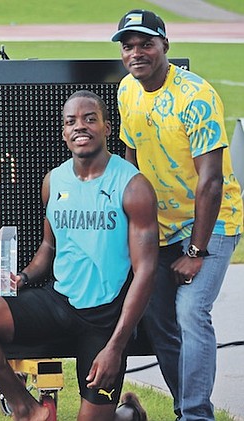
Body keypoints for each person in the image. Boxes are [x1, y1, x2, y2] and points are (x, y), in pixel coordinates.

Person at [0, 90, 158, 421]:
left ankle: (129, 413)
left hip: (104, 320)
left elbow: (146, 271)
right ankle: (25, 406)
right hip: (58, 304)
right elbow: (48, 248)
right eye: (71, 121)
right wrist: (23, 277)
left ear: (105, 127)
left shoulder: (133, 186)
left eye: (90, 119)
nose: (80, 127)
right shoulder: (53, 180)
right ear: (63, 132)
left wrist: (116, 347)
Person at [111, 9, 243, 421]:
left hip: (213, 221)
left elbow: (212, 182)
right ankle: (183, 407)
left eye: (146, 43)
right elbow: (131, 161)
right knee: (159, 320)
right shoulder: (127, 91)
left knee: (190, 311)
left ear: (165, 45)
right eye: (129, 46)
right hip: (161, 225)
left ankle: (196, 415)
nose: (137, 53)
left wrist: (197, 250)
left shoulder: (195, 96)